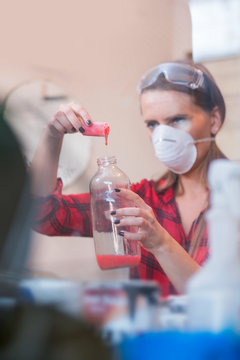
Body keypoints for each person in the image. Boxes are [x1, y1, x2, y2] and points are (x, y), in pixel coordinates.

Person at [30, 61, 227, 297]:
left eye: (177, 120)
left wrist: (161, 243)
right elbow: (46, 214)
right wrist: (52, 135)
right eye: (152, 124)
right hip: (153, 335)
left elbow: (223, 302)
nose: (163, 136)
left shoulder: (232, 199)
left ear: (214, 120)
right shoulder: (141, 200)